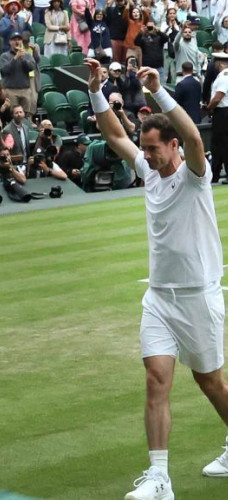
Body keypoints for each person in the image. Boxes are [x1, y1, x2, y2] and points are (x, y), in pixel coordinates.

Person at [86, 56, 228, 500]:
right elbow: (112, 134)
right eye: (143, 148)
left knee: (211, 383)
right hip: (160, 300)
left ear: (173, 147)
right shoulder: (147, 171)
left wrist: (157, 90)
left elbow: (191, 131)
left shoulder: (195, 176)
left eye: (152, 148)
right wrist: (95, 89)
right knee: (156, 378)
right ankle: (159, 478)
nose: (145, 155)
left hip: (199, 299)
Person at [0, 31, 36, 119]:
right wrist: (15, 58)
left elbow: (31, 67)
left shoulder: (27, 55)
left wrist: (22, 58)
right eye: (14, 40)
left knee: (26, 115)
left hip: (25, 89)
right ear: (10, 42)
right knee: (12, 114)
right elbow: (4, 71)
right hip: (11, 90)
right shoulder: (4, 56)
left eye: (19, 39)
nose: (17, 42)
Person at [206, 53, 228, 184]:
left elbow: (219, 96)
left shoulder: (224, 76)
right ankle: (215, 172)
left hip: (222, 113)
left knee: (221, 144)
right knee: (219, 144)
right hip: (224, 112)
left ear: (219, 64)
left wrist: (208, 107)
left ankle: (217, 172)